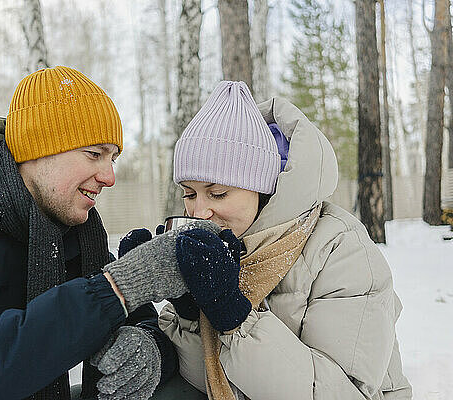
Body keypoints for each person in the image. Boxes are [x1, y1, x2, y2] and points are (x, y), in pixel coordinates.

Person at [0, 66, 228, 400]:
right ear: (38, 149)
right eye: (94, 154)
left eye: (113, 158)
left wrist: (150, 350)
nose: (109, 177)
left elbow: (139, 318)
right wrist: (116, 289)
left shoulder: (73, 235)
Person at [152, 81, 412, 399]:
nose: (199, 211)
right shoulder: (225, 245)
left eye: (217, 193)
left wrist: (234, 318)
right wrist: (191, 316)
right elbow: (217, 382)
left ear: (264, 189)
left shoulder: (341, 251)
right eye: (189, 194)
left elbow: (341, 393)